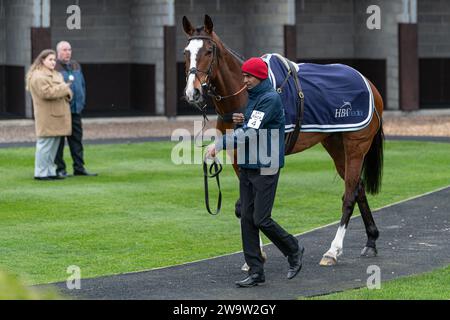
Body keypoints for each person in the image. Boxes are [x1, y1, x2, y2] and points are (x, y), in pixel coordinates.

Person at [206, 57, 304, 287]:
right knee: (247, 219)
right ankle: (256, 271)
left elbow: (250, 134)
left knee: (261, 218)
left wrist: (219, 144)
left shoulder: (269, 98)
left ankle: (294, 249)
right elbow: (252, 127)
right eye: (244, 75)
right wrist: (241, 121)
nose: (245, 80)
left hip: (266, 166)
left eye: (248, 76)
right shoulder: (254, 98)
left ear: (259, 77)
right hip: (250, 165)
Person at [26, 49, 73, 181]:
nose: (53, 62)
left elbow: (66, 91)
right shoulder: (38, 75)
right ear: (42, 60)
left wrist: (66, 91)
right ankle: (40, 173)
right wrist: (65, 88)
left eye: (54, 59)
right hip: (46, 116)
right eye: (50, 59)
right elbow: (46, 93)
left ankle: (50, 171)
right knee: (44, 145)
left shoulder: (57, 74)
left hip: (58, 115)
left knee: (54, 146)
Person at [54, 41, 97, 177]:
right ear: (58, 52)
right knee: (59, 142)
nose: (67, 52)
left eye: (69, 49)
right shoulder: (53, 67)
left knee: (77, 141)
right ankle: (60, 169)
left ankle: (79, 168)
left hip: (76, 111)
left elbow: (82, 85)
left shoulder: (76, 65)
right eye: (64, 50)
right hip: (61, 111)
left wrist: (81, 101)